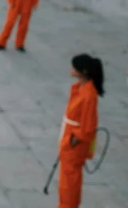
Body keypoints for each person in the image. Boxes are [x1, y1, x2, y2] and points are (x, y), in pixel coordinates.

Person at [57, 54, 104, 208]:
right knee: (66, 181)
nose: (71, 70)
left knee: (69, 183)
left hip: (74, 145)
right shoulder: (81, 88)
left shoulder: (89, 95)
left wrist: (71, 141)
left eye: (74, 67)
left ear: (83, 72)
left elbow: (88, 127)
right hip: (69, 140)